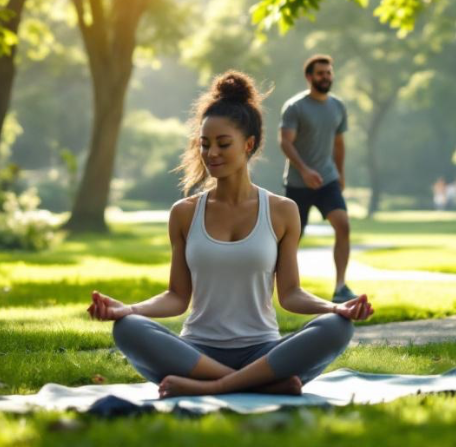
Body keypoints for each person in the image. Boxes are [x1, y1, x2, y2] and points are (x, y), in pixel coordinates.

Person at [86, 71, 374, 399]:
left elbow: (291, 294)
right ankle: (261, 384)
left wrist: (335, 309)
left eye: (223, 144)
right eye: (204, 145)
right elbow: (177, 297)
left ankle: (217, 387)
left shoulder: (282, 211)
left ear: (248, 145)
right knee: (128, 329)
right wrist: (127, 310)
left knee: (336, 327)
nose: (211, 154)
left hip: (262, 352)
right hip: (197, 355)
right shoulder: (184, 213)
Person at [279, 54, 355, 303]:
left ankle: (341, 287)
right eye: (321, 73)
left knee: (343, 225)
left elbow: (339, 143)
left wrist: (341, 174)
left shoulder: (338, 106)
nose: (326, 77)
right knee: (291, 238)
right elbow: (285, 143)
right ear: (309, 77)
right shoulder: (295, 107)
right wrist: (304, 170)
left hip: (328, 180)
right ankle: (276, 288)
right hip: (298, 183)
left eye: (329, 72)